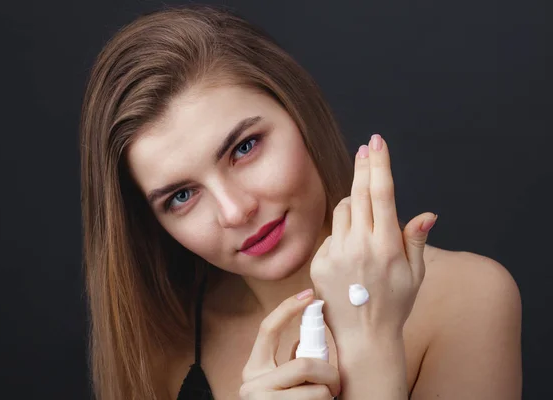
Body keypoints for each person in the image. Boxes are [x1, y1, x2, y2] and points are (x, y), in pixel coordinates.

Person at [79, 4, 522, 400]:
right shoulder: (162, 337)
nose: (235, 211)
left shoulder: (466, 299)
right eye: (181, 196)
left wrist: (369, 348)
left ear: (298, 109)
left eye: (245, 148)